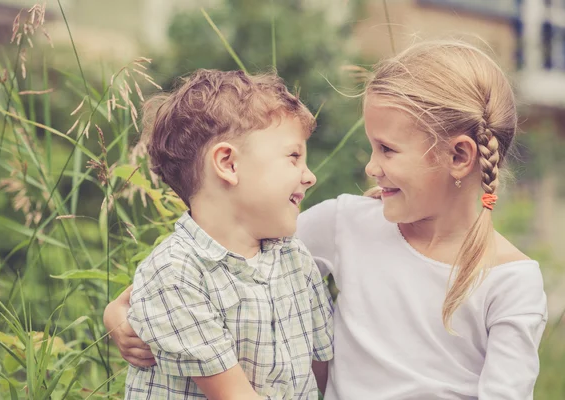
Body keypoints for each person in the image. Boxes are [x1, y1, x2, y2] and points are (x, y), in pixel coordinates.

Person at [105, 41, 548, 399]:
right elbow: (212, 254)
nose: (371, 168)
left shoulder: (512, 282)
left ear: (459, 156)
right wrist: (117, 314)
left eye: (387, 149)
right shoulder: (348, 223)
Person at [116, 68, 334, 400]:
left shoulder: (294, 257)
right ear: (229, 164)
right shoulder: (175, 274)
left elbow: (319, 369)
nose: (309, 177)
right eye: (293, 157)